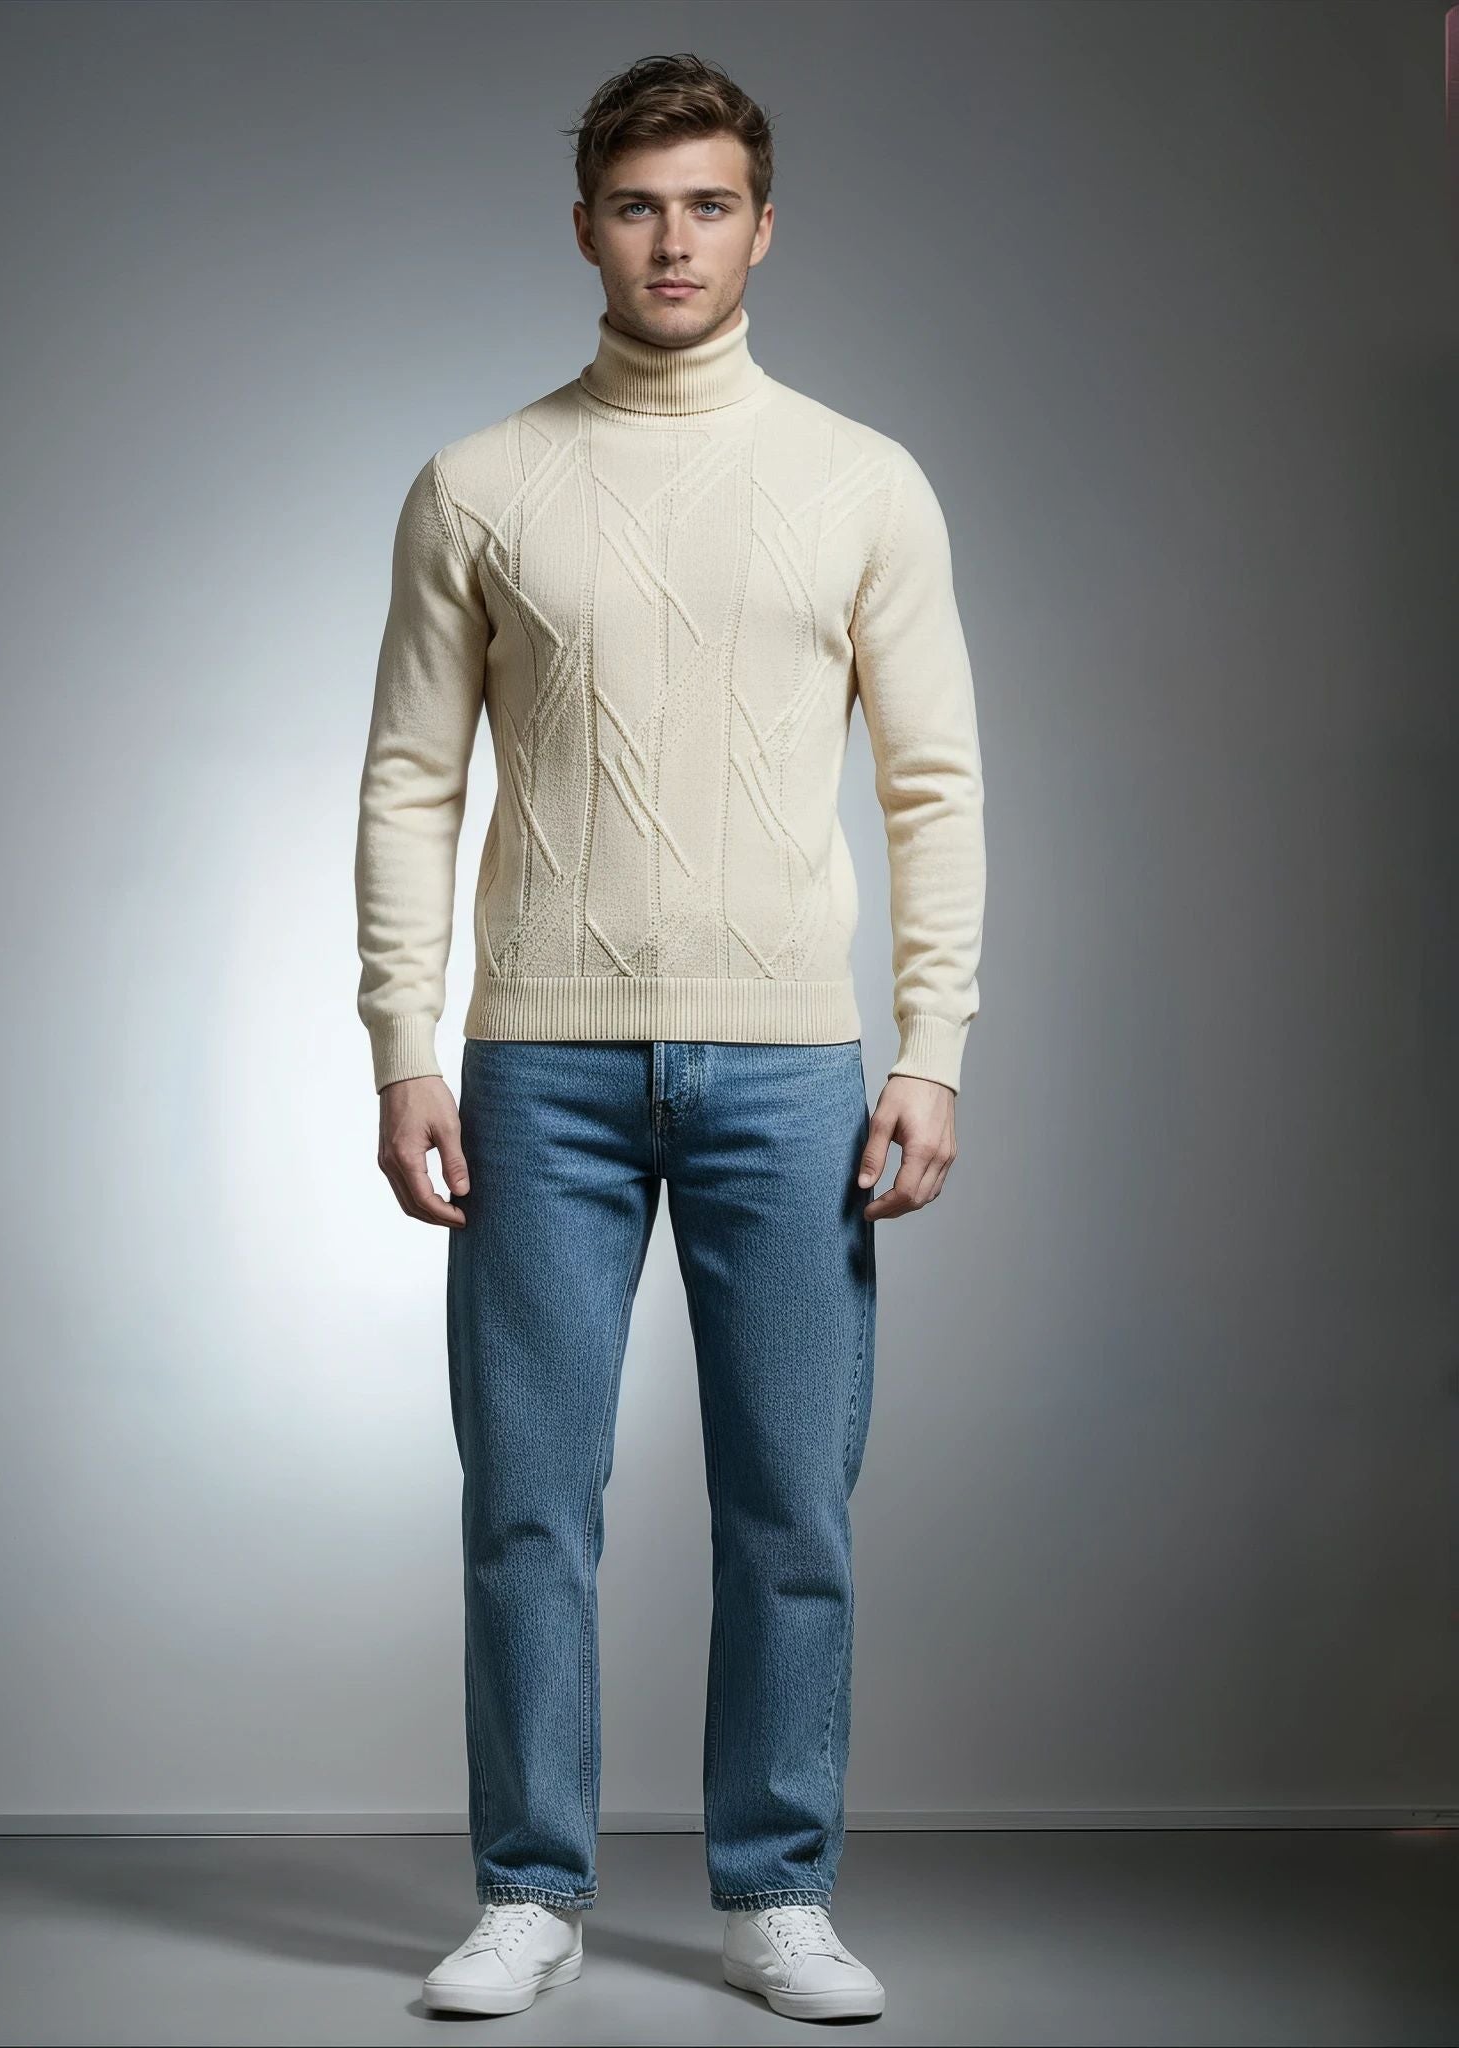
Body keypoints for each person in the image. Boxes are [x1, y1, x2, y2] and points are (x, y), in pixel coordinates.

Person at [353, 50, 986, 2025]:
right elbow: (408, 783)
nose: (674, 240)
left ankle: (775, 1890)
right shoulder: (478, 485)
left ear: (763, 227)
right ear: (585, 229)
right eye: (638, 205)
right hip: (537, 1069)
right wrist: (401, 1041)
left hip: (791, 1070)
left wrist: (932, 1044)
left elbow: (935, 785)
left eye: (709, 204)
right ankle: (526, 1891)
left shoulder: (862, 482)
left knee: (789, 1508)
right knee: (525, 1504)